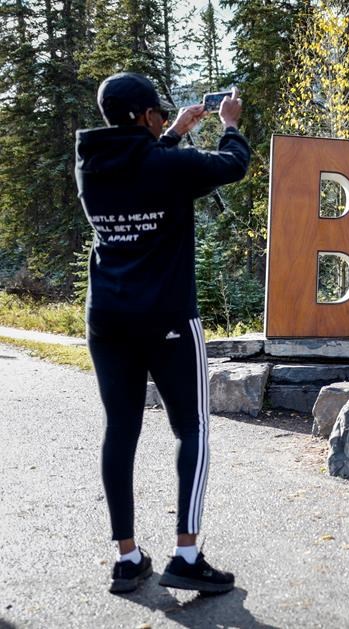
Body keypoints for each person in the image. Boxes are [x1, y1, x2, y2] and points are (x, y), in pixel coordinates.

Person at [75, 72, 250, 594]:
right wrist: (229, 124)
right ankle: (186, 553)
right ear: (144, 117)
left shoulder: (90, 164)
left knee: (120, 429)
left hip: (107, 318)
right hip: (169, 319)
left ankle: (127, 559)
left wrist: (172, 129)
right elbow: (234, 164)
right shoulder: (171, 166)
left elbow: (140, 166)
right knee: (192, 429)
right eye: (158, 113)